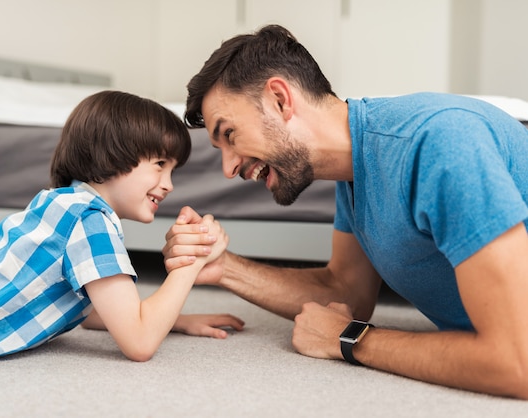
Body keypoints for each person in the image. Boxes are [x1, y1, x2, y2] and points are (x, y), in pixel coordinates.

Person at [162, 24, 528, 398]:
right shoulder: (353, 168)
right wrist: (223, 267)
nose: (227, 168)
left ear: (279, 99)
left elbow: (518, 363)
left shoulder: (441, 143)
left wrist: (352, 340)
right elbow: (347, 293)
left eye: (230, 135)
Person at [0, 90, 244, 368]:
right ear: (112, 154)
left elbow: (80, 306)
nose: (168, 185)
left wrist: (176, 320)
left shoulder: (63, 204)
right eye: (159, 165)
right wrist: (193, 259)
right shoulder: (89, 220)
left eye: (172, 171)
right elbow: (138, 343)